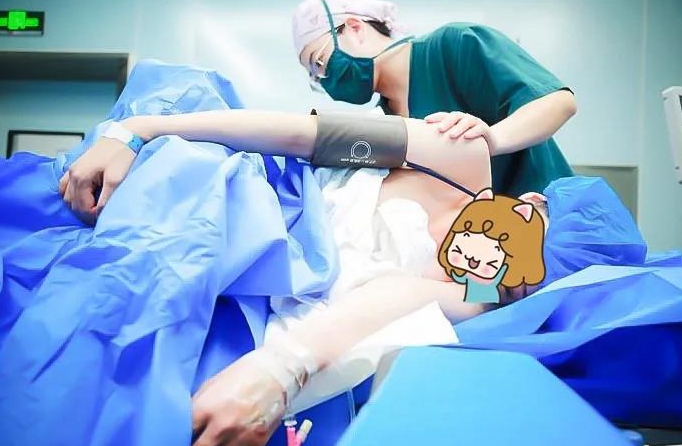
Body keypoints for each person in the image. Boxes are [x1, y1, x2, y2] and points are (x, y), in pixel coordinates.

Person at [59, 108, 551, 446]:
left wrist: (277, 371)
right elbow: (298, 135)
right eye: (534, 224)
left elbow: (388, 299)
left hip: (262, 303)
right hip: (245, 206)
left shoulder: (477, 290)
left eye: (523, 269)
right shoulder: (457, 155)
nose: (503, 255)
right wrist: (137, 130)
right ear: (530, 200)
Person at [292, 0, 577, 197]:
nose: (324, 78)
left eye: (320, 62)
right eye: (315, 77)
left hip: (549, 221)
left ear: (355, 27)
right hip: (486, 251)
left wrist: (491, 140)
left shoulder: (454, 45)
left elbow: (557, 102)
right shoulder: (385, 122)